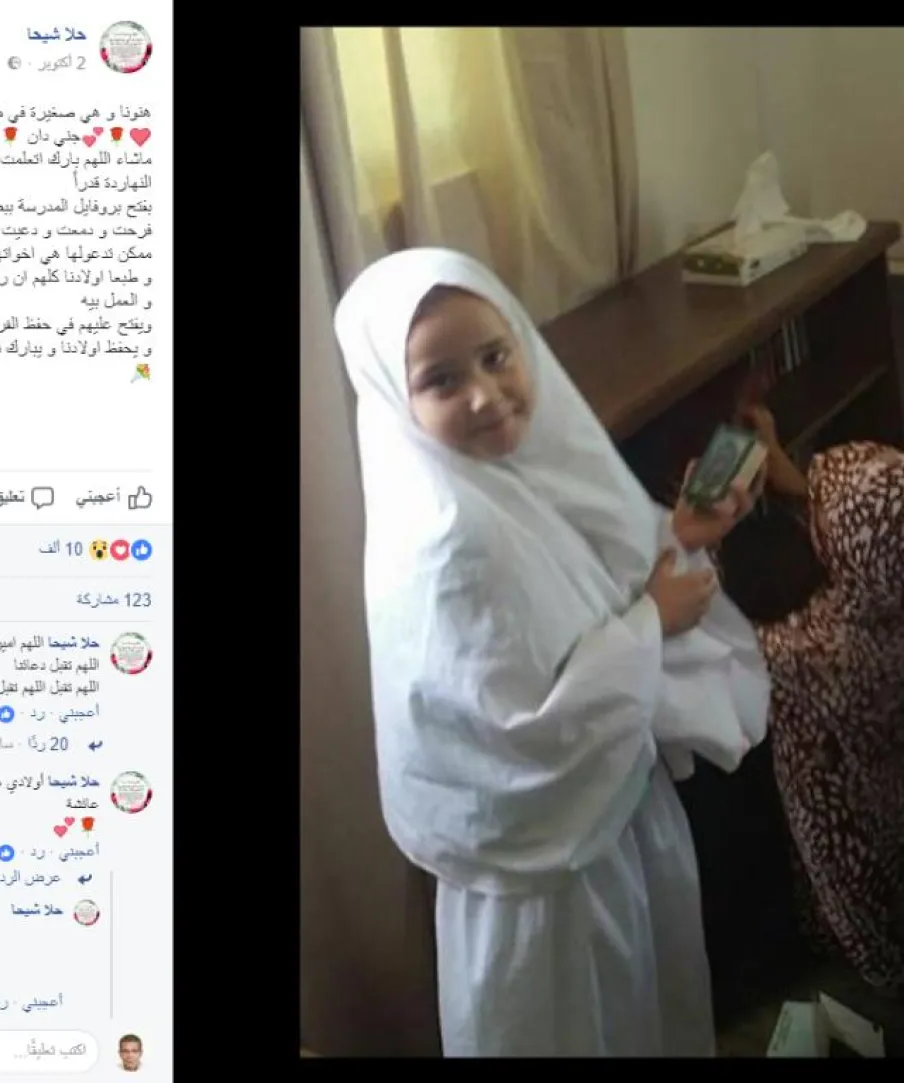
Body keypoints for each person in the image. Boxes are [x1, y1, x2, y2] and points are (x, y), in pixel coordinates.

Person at [333, 249, 770, 1057]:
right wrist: (649, 622)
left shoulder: (505, 471)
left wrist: (678, 534)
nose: (484, 393)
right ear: (394, 396)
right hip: (548, 881)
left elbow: (584, 580)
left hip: (614, 826)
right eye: (440, 380)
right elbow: (523, 735)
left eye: (496, 355)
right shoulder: (448, 544)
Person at [743, 405, 904, 993]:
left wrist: (693, 536)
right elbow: (861, 510)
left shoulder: (805, 652)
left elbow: (723, 637)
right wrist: (792, 475)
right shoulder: (879, 581)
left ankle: (881, 977)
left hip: (846, 811)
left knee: (852, 882)